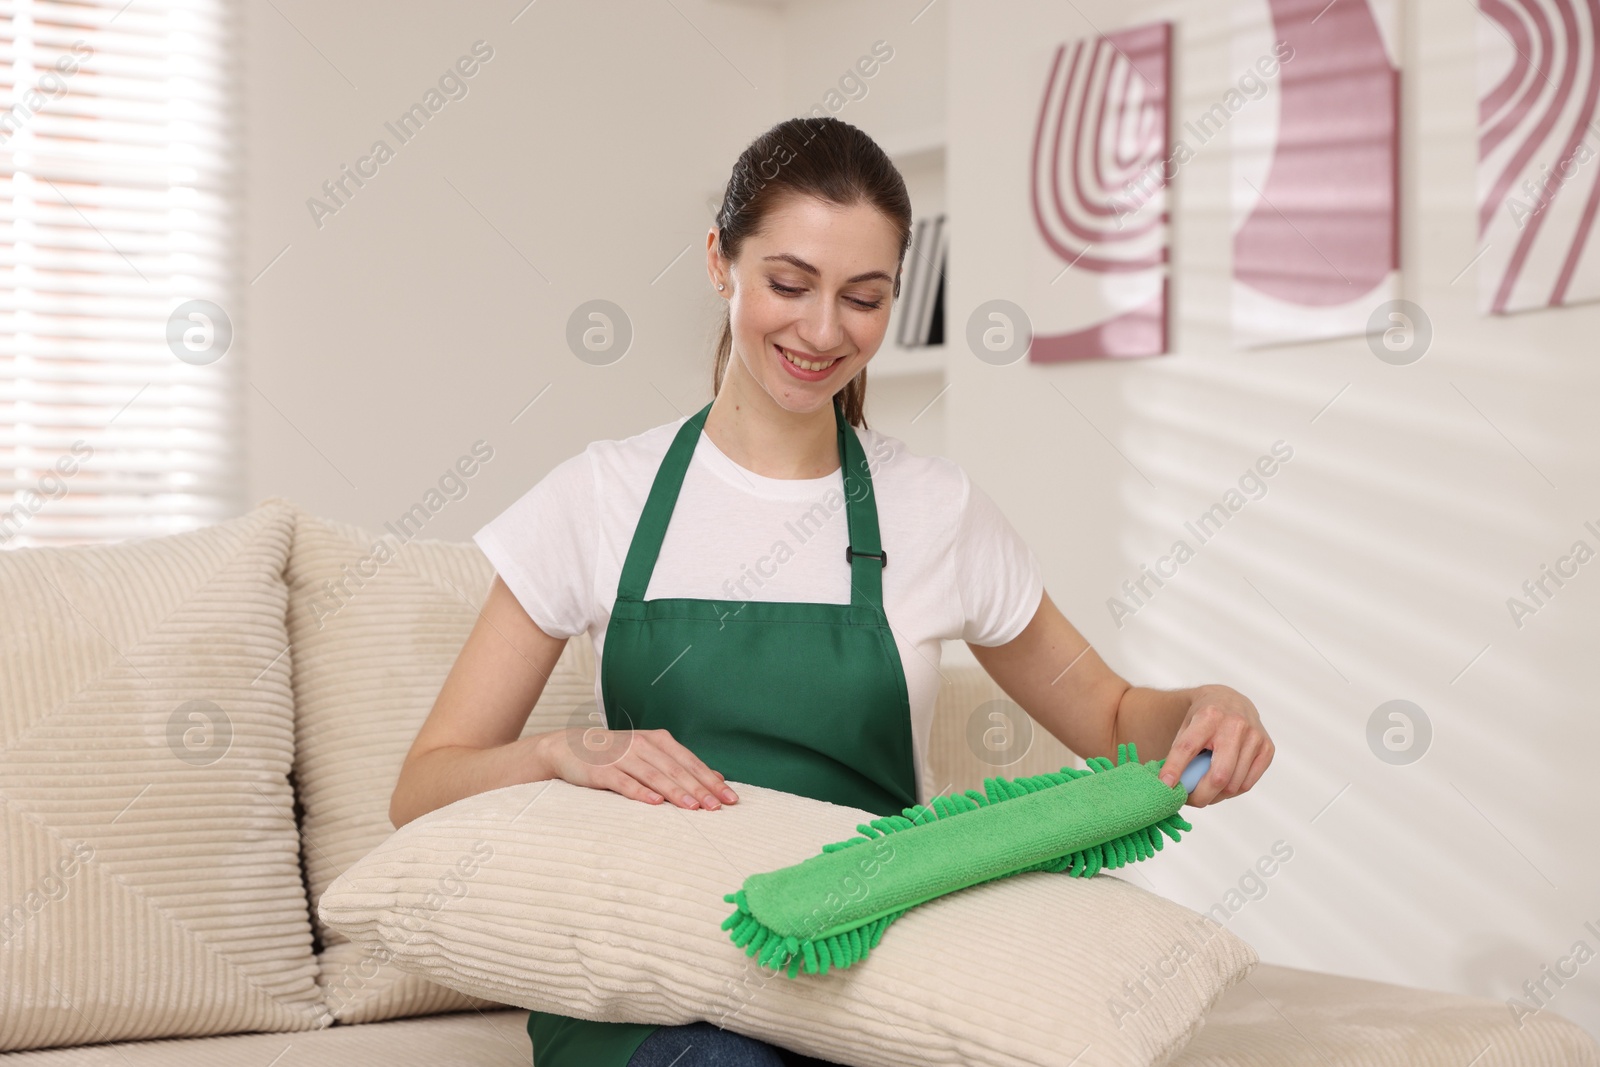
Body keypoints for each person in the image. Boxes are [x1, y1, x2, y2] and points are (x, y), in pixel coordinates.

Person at [388, 115, 1275, 1067]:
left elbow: (1115, 717)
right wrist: (565, 750)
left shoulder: (937, 510)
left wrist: (1206, 708)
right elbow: (423, 786)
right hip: (654, 983)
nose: (822, 331)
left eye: (863, 298)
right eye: (789, 283)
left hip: (866, 972)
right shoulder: (599, 496)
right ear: (720, 263)